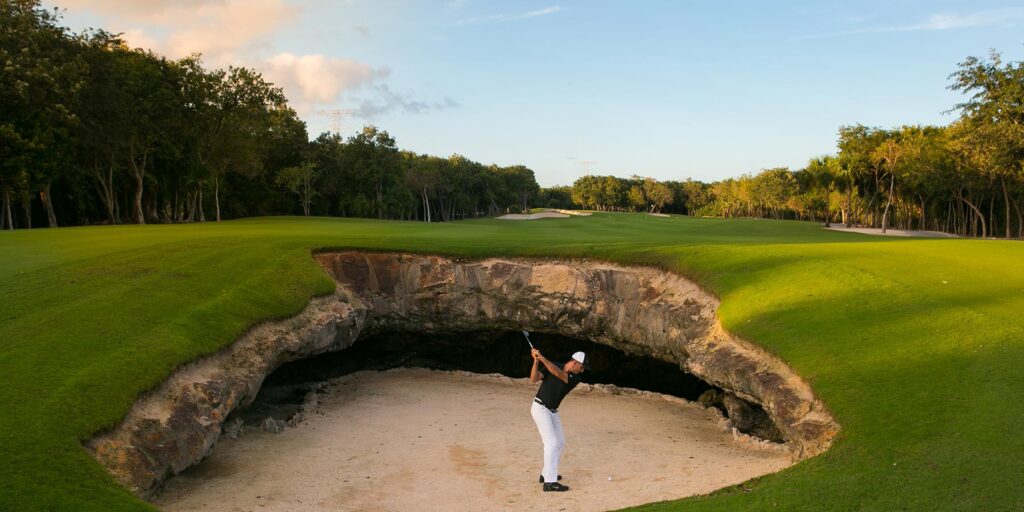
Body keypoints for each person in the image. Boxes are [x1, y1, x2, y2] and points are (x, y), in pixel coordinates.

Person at [529, 347, 588, 492]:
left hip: (552, 411)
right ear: (574, 363)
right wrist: (536, 361)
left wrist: (542, 357)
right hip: (540, 408)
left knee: (560, 442)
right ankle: (549, 482)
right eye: (582, 367)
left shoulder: (575, 378)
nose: (583, 370)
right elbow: (533, 379)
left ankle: (546, 473)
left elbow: (557, 373)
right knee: (552, 443)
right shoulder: (553, 365)